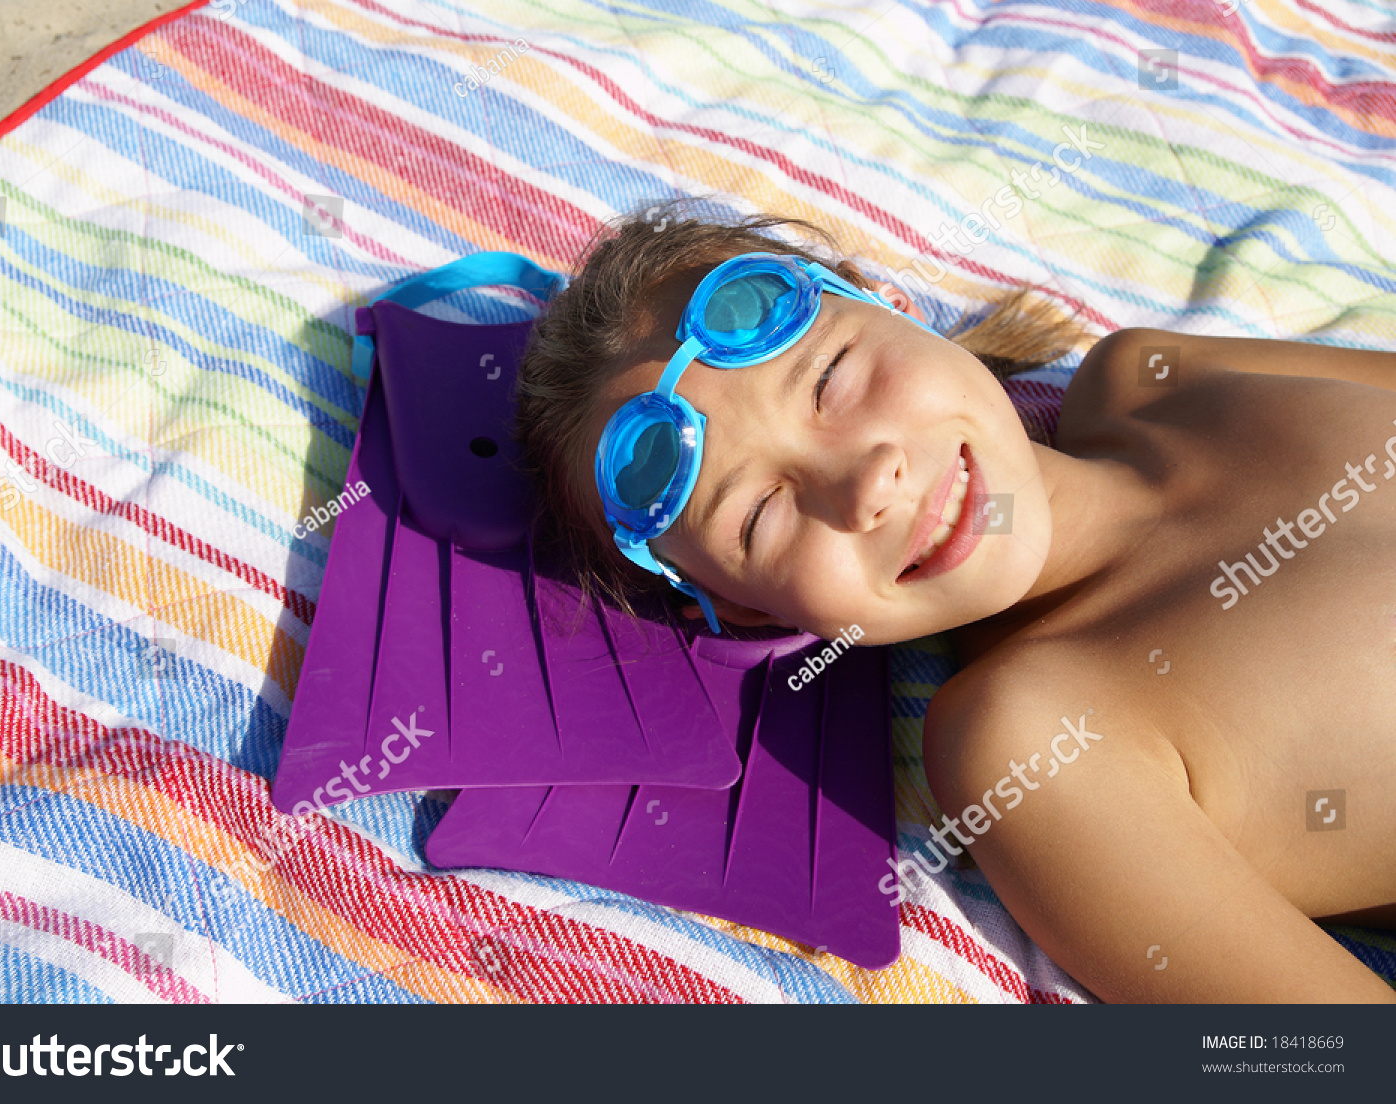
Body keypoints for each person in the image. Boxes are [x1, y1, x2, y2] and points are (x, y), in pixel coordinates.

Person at [512, 203, 1396, 1003]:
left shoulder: (1152, 373)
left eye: (834, 381)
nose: (867, 482)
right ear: (752, 610)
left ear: (891, 306)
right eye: (763, 515)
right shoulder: (1035, 739)